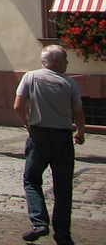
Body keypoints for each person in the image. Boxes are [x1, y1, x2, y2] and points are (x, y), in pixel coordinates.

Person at [14, 44, 86, 244]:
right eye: (65, 58)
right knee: (63, 189)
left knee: (32, 180)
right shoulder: (69, 83)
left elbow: (18, 105)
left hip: (39, 137)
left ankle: (39, 222)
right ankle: (63, 234)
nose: (67, 62)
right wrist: (80, 132)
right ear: (55, 60)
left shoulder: (30, 77)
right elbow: (78, 112)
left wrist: (27, 124)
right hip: (63, 139)